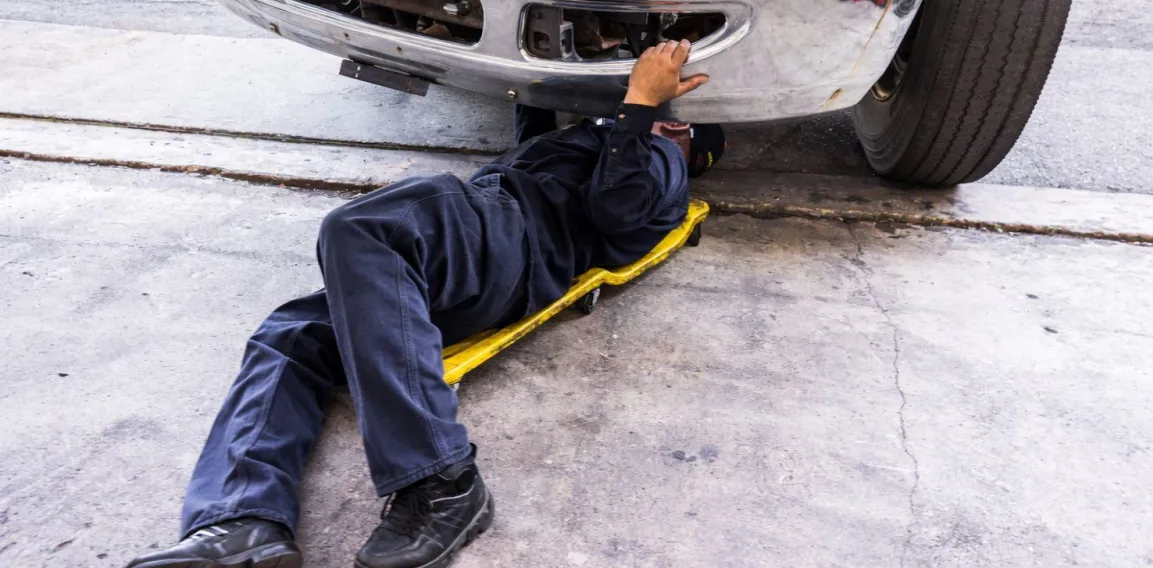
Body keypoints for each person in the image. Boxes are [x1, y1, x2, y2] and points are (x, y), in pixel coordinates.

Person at [125, 40, 726, 568]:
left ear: (688, 144)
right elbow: (535, 119)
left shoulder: (661, 162)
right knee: (291, 335)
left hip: (511, 244)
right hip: (466, 260)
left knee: (368, 227)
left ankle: (444, 480)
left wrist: (644, 107)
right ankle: (241, 518)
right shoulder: (598, 142)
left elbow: (616, 209)